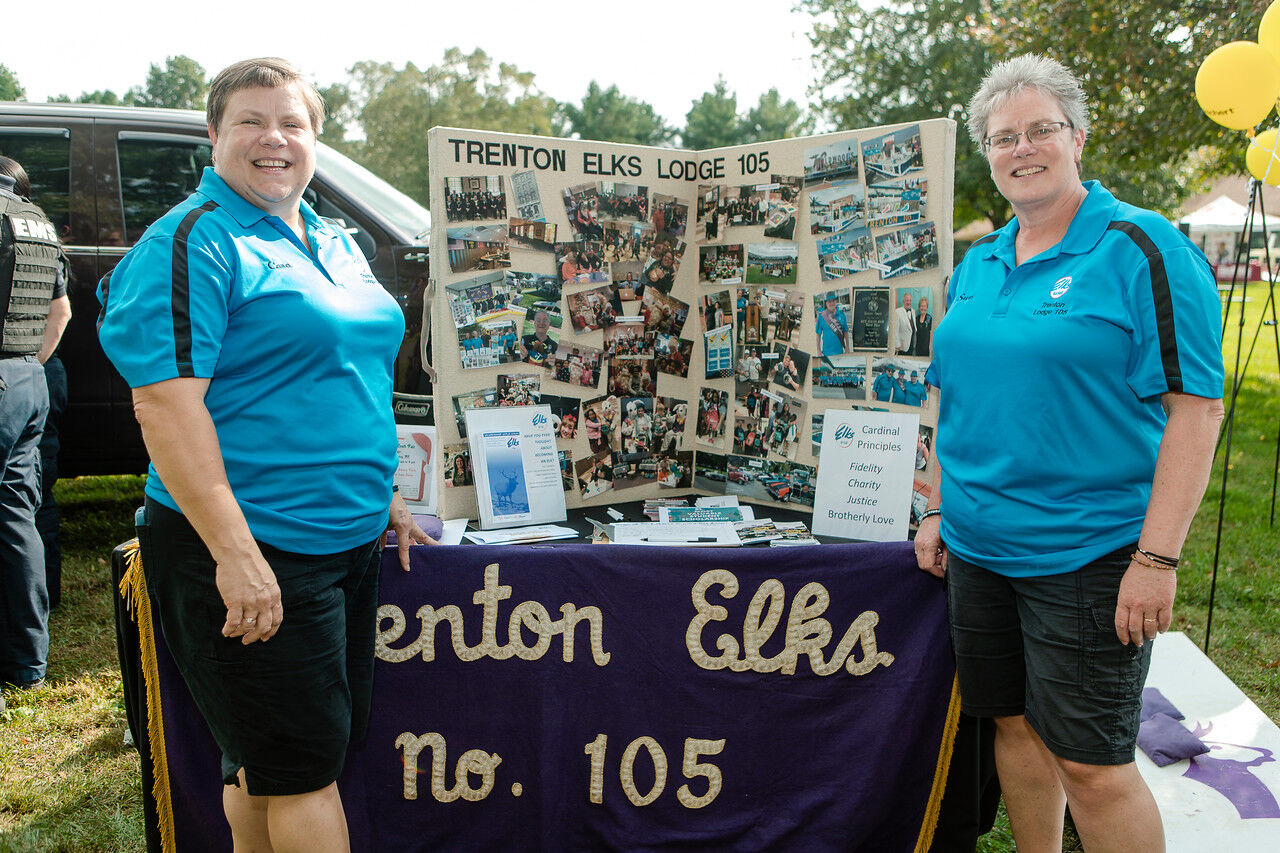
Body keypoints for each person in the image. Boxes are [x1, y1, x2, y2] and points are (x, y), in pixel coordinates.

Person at [96, 58, 439, 852]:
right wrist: (235, 553)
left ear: (315, 139)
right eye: (250, 121)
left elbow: (344, 373)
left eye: (291, 123)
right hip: (253, 545)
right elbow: (165, 406)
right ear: (214, 136)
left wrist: (380, 489)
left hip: (344, 540)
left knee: (269, 763)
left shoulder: (332, 237)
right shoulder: (191, 240)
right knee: (305, 774)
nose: (272, 139)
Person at [914, 54, 1224, 853]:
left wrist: (1156, 558)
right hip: (979, 551)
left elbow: (1197, 408)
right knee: (1013, 729)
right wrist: (939, 505)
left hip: (1089, 553)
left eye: (1040, 128)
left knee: (1091, 762)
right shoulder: (979, 263)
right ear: (988, 154)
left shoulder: (1140, 247)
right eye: (1003, 136)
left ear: (1078, 135)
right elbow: (949, 395)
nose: (1023, 147)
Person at [0, 155, 71, 700]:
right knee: (16, 517)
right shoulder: (38, 224)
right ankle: (27, 662)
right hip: (29, 379)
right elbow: (61, 312)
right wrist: (28, 361)